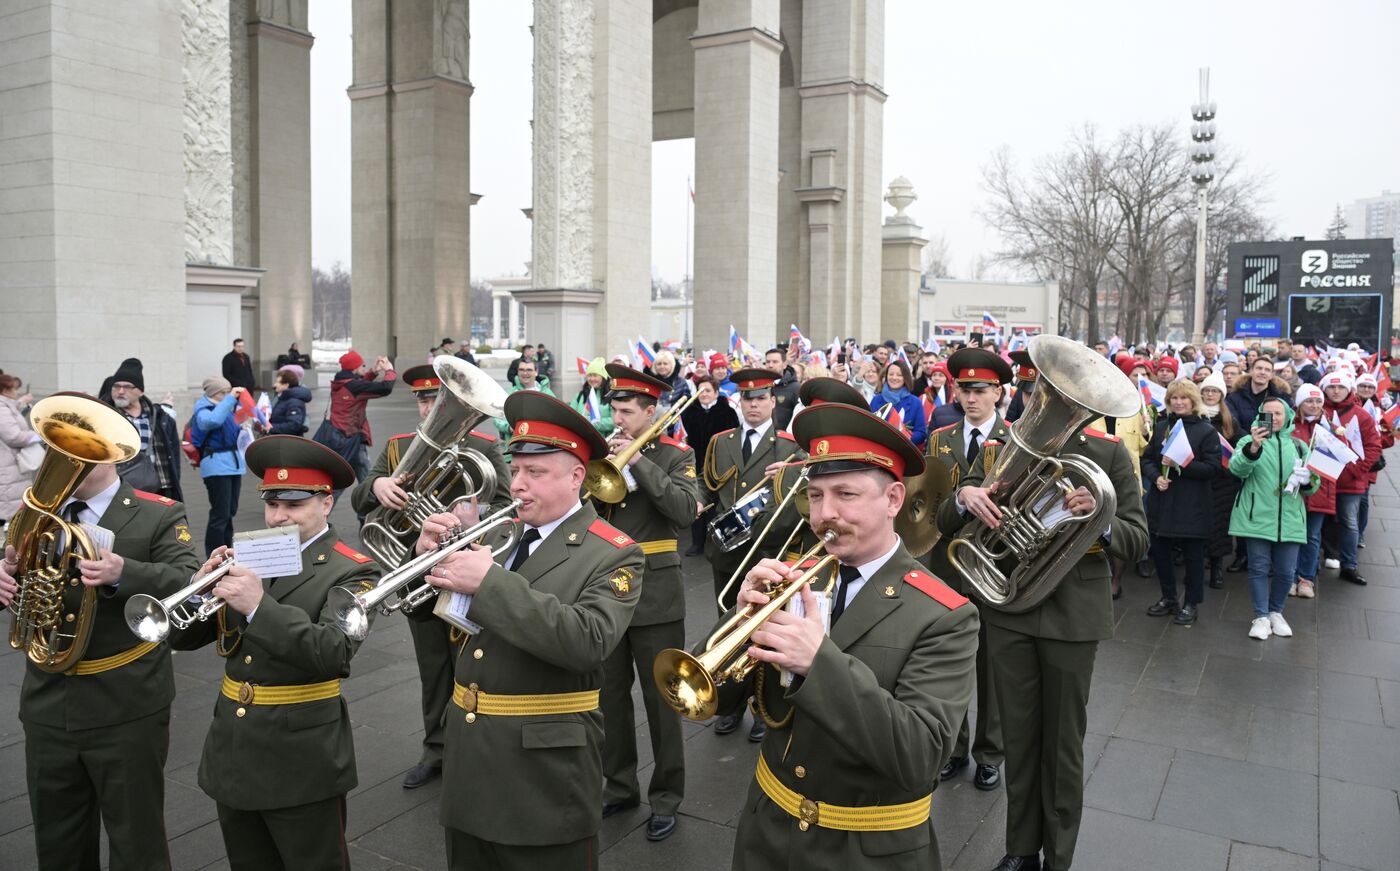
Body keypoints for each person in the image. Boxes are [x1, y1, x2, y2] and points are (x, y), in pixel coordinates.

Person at [720, 401, 977, 871]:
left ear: (894, 500)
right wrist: (738, 625)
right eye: (816, 496)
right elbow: (717, 701)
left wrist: (818, 664)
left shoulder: (946, 615)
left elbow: (921, 756)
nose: (825, 515)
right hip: (767, 831)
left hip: (866, 849)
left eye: (846, 494)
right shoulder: (795, 578)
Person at [412, 392, 644, 870]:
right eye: (515, 470)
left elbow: (587, 641)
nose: (517, 485)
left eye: (535, 473)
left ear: (577, 476)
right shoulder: (498, 537)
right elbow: (438, 622)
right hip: (471, 764)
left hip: (543, 777)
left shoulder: (613, 552)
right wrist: (423, 566)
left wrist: (489, 584)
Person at [937, 373, 1149, 871]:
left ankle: (1059, 857)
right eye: (1040, 394)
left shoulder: (1110, 452)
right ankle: (1020, 850)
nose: (1044, 403)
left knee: (1063, 745)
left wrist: (1100, 519)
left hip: (1072, 615)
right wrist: (966, 499)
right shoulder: (999, 447)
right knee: (1019, 737)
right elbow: (948, 519)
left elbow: (1138, 539)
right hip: (1008, 608)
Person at [170, 436, 380, 870]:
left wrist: (257, 606)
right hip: (234, 745)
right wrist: (198, 592)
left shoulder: (355, 568)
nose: (278, 516)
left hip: (302, 755)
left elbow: (334, 652)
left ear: (326, 502)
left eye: (294, 505)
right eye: (271, 504)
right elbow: (183, 639)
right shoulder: (254, 555)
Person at [0, 423, 198, 871]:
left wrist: (124, 572)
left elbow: (190, 580)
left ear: (110, 453)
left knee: (135, 837)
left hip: (125, 699)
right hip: (48, 697)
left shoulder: (157, 513)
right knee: (57, 836)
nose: (59, 460)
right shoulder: (36, 514)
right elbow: (11, 562)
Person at [350, 363, 511, 791]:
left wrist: (470, 519)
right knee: (432, 665)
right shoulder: (398, 446)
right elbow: (359, 498)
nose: (428, 407)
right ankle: (435, 749)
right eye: (424, 399)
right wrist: (379, 486)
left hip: (465, 567)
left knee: (472, 662)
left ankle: (473, 747)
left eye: (432, 398)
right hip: (411, 568)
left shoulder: (483, 444)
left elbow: (507, 505)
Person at [593, 365, 700, 843]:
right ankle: (618, 787)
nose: (617, 420)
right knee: (608, 699)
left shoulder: (677, 454)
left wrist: (637, 463)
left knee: (663, 702)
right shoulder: (602, 450)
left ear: (651, 412)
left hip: (656, 593)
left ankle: (666, 798)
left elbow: (683, 512)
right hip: (603, 592)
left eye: (627, 412)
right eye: (614, 410)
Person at [924, 346, 1013, 792]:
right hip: (947, 561)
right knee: (950, 662)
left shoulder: (1016, 438)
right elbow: (932, 502)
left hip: (993, 563)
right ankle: (954, 748)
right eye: (963, 389)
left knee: (991, 666)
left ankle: (989, 752)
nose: (970, 397)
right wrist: (958, 502)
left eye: (980, 389)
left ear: (998, 392)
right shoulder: (940, 437)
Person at [701, 368, 804, 741]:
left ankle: (762, 708)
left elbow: (792, 500)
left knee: (765, 631)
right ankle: (728, 705)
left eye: (760, 398)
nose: (754, 404)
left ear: (773, 402)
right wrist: (699, 499)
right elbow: (708, 482)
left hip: (766, 551)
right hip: (727, 552)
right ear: (739, 402)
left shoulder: (789, 448)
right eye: (747, 399)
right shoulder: (721, 441)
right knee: (726, 627)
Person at [1228, 397, 1319, 640]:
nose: (1274, 418)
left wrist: (1308, 480)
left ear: (1288, 415)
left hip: (1290, 517)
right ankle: (1260, 616)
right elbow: (1237, 469)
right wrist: (1254, 448)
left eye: (1278, 413)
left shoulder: (1300, 446)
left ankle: (1276, 612)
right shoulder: (1248, 441)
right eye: (1268, 414)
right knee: (1258, 568)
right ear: (1260, 417)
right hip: (1257, 515)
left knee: (1286, 572)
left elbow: (1312, 488)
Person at [1140, 381, 1222, 625]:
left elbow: (1213, 468)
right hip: (1163, 502)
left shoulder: (1206, 431)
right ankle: (1168, 597)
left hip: (1192, 505)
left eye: (1183, 398)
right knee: (1162, 555)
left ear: (1193, 401)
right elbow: (1147, 459)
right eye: (1174, 398)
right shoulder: (1163, 426)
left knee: (1193, 558)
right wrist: (1155, 477)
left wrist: (1182, 464)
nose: (1178, 402)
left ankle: (1191, 603)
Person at [1320, 369, 1381, 585]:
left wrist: (1356, 470)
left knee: (1349, 523)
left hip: (1350, 482)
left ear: (1348, 390)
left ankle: (1349, 565)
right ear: (1324, 388)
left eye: (1340, 387)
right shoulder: (1316, 410)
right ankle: (1313, 564)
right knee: (1318, 522)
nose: (1336, 391)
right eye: (1331, 387)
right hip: (1321, 480)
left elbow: (1374, 447)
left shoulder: (1362, 414)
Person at [102, 359, 182, 502]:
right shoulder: (105, 416)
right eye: (116, 386)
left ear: (140, 391)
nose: (120, 391)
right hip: (118, 490)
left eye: (127, 387)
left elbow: (174, 453)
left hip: (160, 488)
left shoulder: (159, 417)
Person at [679, 376, 738, 555]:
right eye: (700, 391)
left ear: (716, 393)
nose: (704, 394)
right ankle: (697, 542)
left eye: (707, 391)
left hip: (720, 464)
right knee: (696, 500)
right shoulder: (689, 412)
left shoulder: (727, 412)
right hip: (695, 462)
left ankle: (715, 540)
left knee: (716, 503)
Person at [326, 349, 397, 487]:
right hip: (350, 438)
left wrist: (374, 372)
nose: (364, 367)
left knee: (362, 475)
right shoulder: (353, 386)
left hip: (340, 434)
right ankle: (368, 501)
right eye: (362, 365)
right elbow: (385, 388)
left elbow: (358, 383)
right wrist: (390, 371)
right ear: (354, 368)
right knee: (342, 483)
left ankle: (369, 502)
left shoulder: (341, 381)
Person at [192, 377, 247, 554]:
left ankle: (227, 549)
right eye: (224, 392)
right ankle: (213, 553)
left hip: (232, 464)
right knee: (220, 513)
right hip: (216, 466)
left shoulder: (225, 408)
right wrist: (231, 398)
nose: (228, 395)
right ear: (214, 393)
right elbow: (211, 422)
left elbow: (232, 430)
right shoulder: (203, 409)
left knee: (229, 511)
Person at [1291, 384, 1334, 599]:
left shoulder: (1330, 427)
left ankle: (1306, 578)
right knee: (1290, 535)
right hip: (1293, 490)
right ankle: (1289, 576)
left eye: (1318, 401)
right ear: (1300, 403)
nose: (1314, 405)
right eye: (1309, 401)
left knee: (1312, 536)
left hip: (1319, 490)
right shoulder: (1289, 424)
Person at [1198, 370, 1239, 588]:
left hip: (1222, 482)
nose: (1211, 394)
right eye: (1207, 391)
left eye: (1215, 391)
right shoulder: (1194, 416)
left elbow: (1238, 447)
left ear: (1221, 395)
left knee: (1219, 527)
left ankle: (1216, 569)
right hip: (1199, 479)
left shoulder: (1229, 419)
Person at [0, 373, 40, 523]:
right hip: (7, 466)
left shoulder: (5, 404)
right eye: (15, 389)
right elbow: (14, 436)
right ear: (5, 390)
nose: (17, 392)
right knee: (9, 507)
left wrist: (21, 402)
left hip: (10, 465)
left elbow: (12, 410)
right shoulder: (1, 407)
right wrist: (37, 436)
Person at [869, 358, 927, 448]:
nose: (894, 378)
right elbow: (869, 427)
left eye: (899, 375)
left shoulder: (916, 402)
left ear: (905, 378)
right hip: (879, 449)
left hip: (904, 450)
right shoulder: (876, 400)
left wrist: (905, 436)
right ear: (886, 376)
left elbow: (921, 433)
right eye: (891, 374)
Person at [570, 357, 613, 436]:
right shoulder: (580, 395)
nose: (592, 379)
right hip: (583, 440)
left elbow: (615, 422)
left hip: (604, 442)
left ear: (603, 377)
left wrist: (593, 422)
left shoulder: (611, 396)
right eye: (589, 375)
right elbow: (570, 415)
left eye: (595, 375)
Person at [267, 367, 312, 436]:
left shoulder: (294, 402)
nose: (274, 385)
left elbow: (293, 426)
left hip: (287, 442)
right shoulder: (282, 398)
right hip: (280, 439)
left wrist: (271, 427)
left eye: (278, 382)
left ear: (286, 385)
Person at [765, 347, 801, 430]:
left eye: (775, 362)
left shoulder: (795, 388)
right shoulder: (760, 386)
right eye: (767, 362)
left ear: (784, 365)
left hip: (785, 439)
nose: (770, 365)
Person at [1004, 350, 1036, 424]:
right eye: (1029, 394)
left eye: (1038, 394)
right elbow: (1009, 422)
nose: (1033, 401)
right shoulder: (1019, 394)